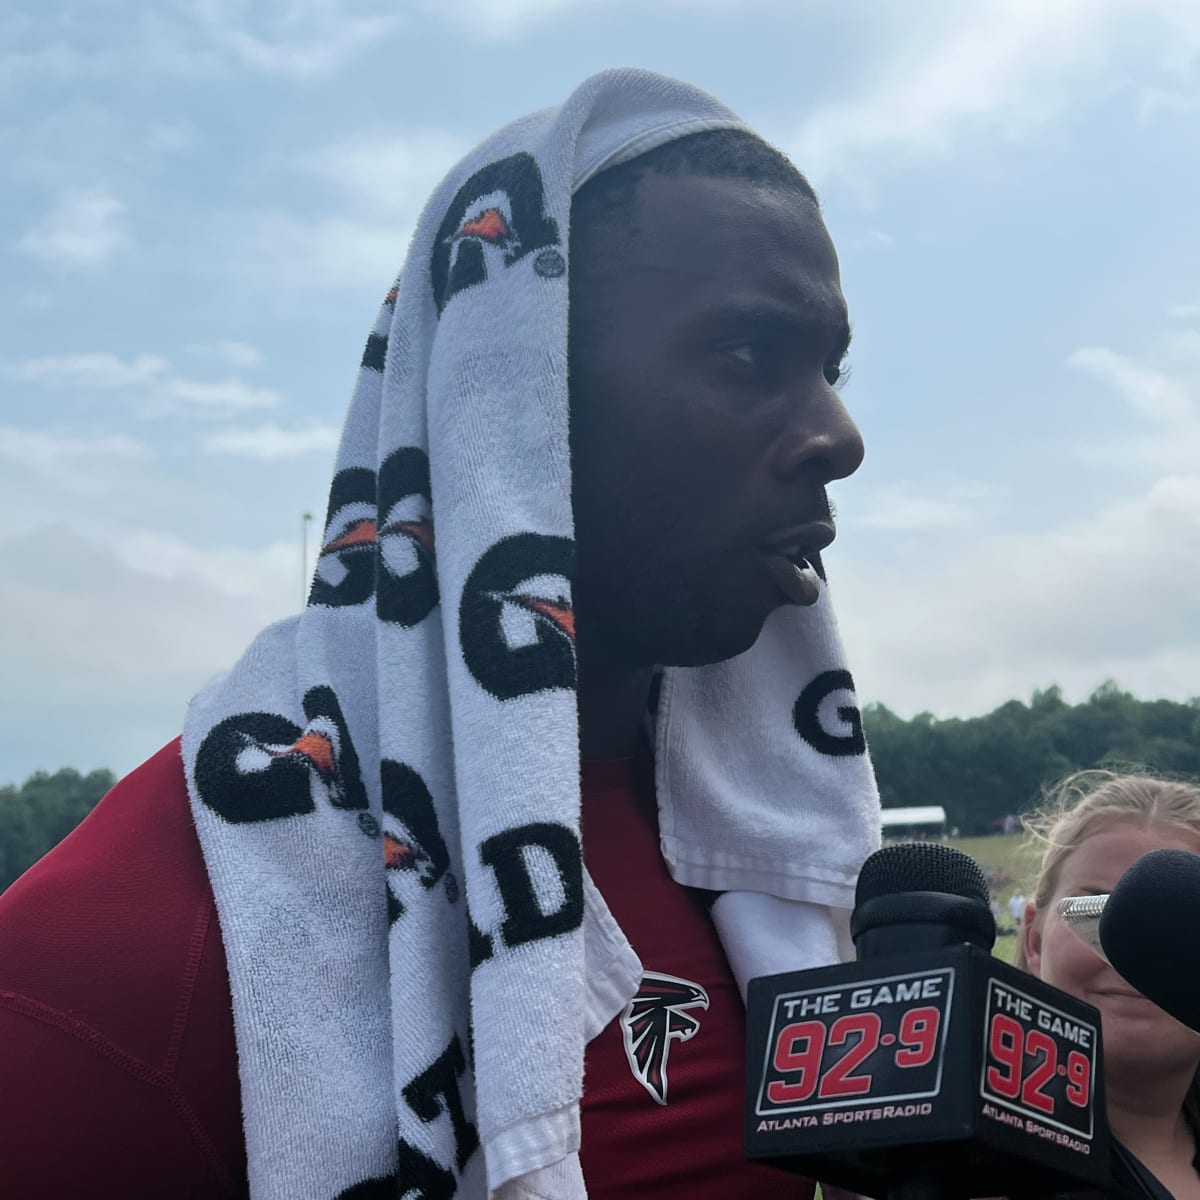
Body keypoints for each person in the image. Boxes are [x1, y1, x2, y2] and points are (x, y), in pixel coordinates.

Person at [0, 70, 881, 1198]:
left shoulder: (790, 853)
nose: (840, 435)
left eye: (831, 368)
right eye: (748, 356)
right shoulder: (147, 948)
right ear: (505, 403)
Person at [1017, 770, 1200, 1199]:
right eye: (1098, 907)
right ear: (1034, 939)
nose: (1135, 948)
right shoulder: (970, 1166)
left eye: (1178, 918)